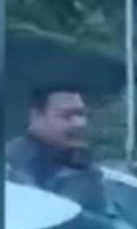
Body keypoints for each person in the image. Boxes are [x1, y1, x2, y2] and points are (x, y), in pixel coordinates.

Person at [6, 84, 107, 213]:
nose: (79, 123)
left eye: (81, 114)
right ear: (36, 116)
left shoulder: (85, 168)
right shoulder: (12, 166)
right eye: (66, 115)